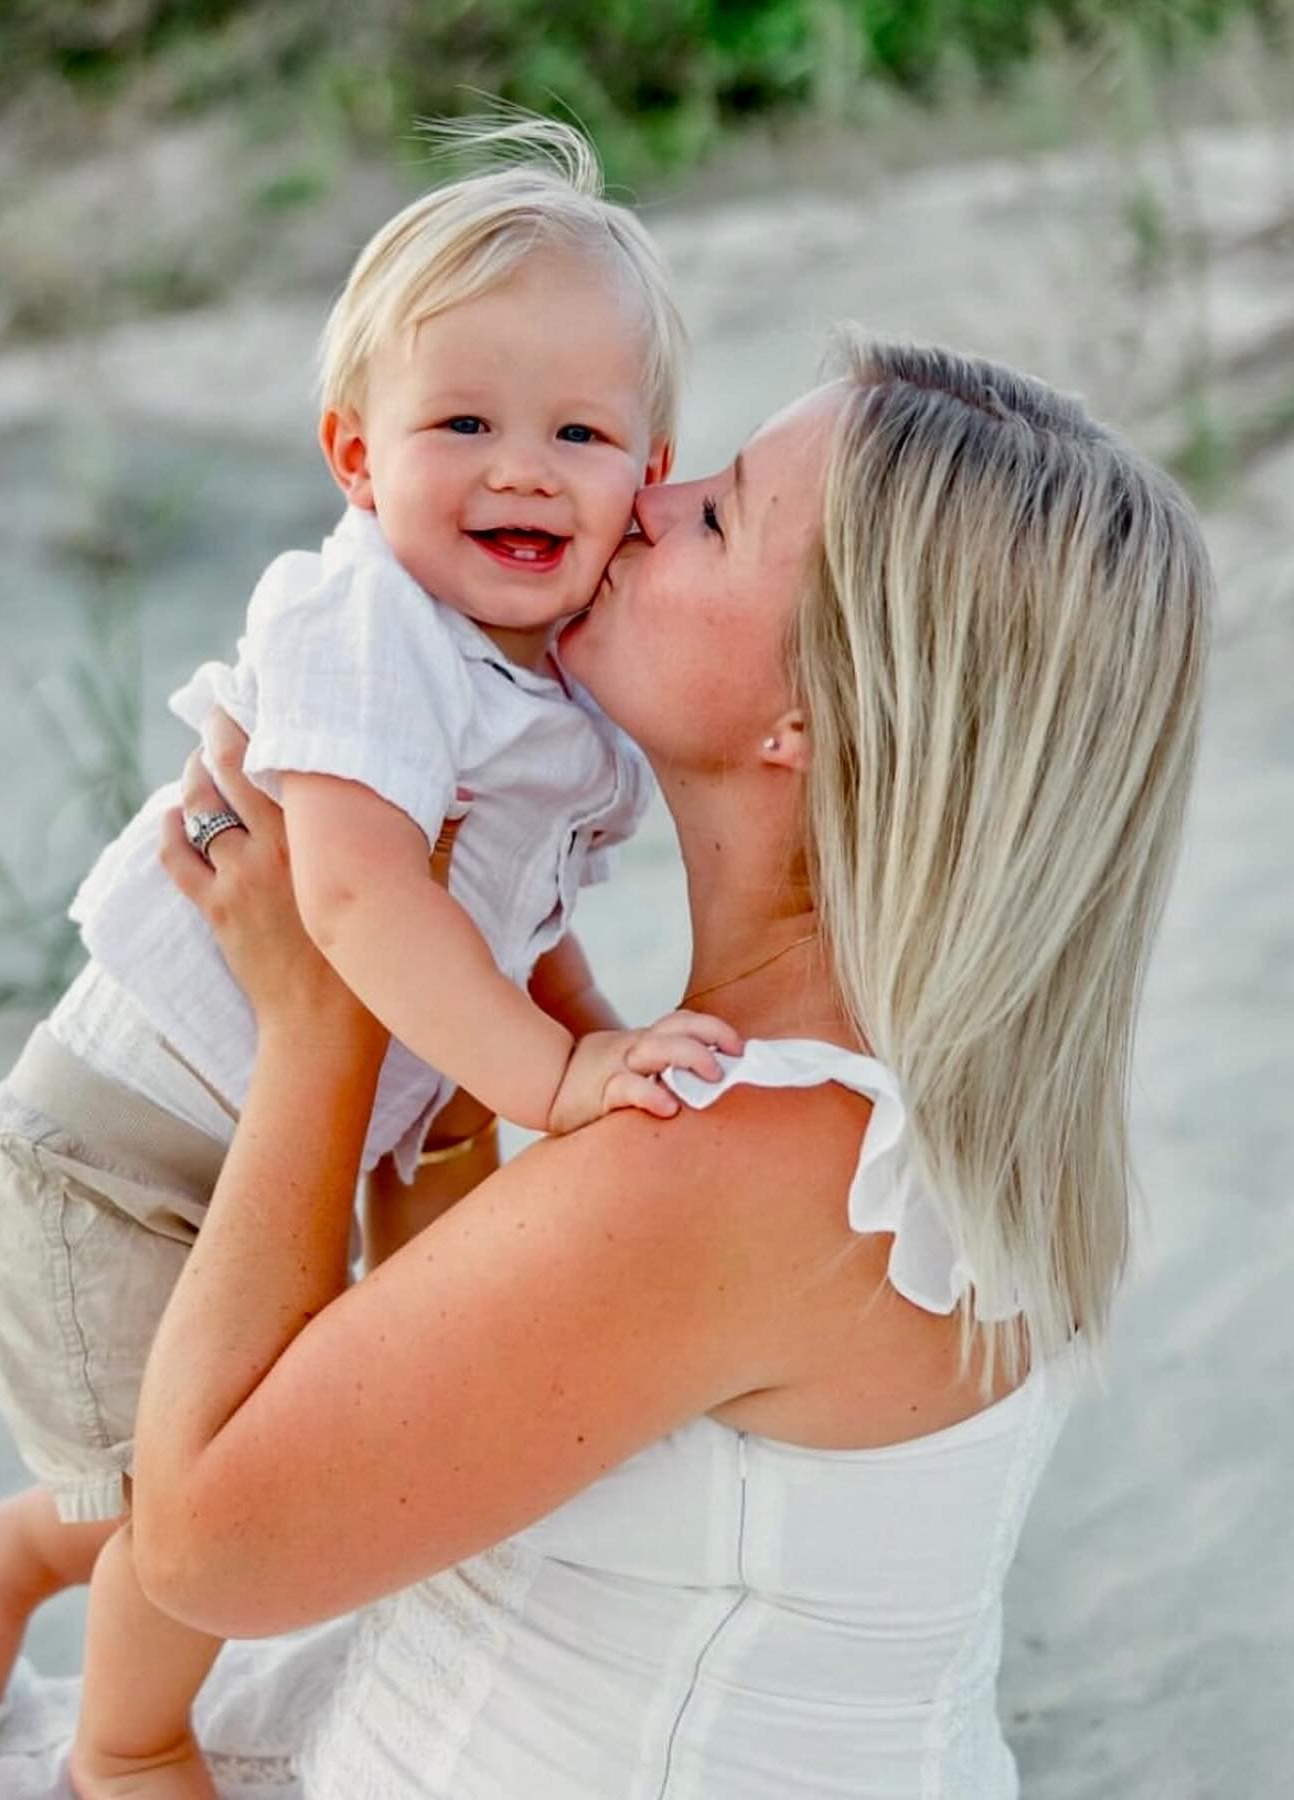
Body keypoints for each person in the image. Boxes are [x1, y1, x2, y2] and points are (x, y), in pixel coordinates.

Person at [111, 336, 1203, 1797]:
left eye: (714, 514)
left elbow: (202, 1547)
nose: (636, 496)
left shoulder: (734, 1168)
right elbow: (511, 1370)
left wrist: (323, 1019)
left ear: (815, 715)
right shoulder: (902, 1102)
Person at [0, 121, 739, 1800]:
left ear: (648, 473)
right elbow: (356, 905)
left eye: (577, 432)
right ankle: (126, 1750)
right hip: (119, 1167)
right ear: (355, 459)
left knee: (293, 1462)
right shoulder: (365, 625)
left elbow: (507, 918)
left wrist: (591, 1023)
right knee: (191, 1512)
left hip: (263, 1160)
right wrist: (558, 1078)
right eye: (462, 425)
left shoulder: (547, 681)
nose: (522, 468)